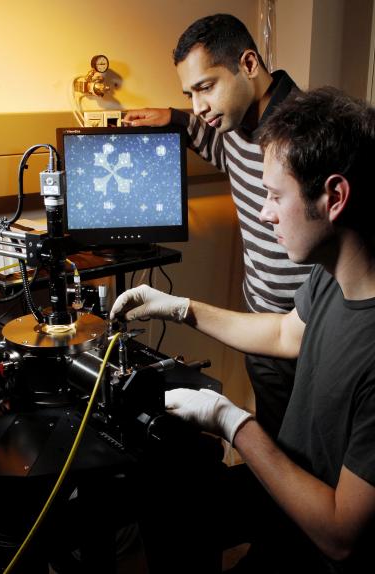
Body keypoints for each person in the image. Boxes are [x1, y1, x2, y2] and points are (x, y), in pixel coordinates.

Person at [112, 87, 375, 573]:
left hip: (318, 546)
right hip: (284, 501)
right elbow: (283, 335)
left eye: (276, 196)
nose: (264, 212)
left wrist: (232, 421)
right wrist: (180, 307)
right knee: (163, 506)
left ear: (334, 197)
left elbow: (341, 535)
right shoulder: (329, 274)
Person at [123, 13, 312, 439]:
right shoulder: (231, 122)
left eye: (206, 87)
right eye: (190, 93)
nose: (199, 106)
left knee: (312, 458)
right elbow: (208, 135)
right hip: (259, 325)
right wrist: (172, 116)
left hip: (310, 333)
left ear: (248, 64)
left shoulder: (305, 135)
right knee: (279, 446)